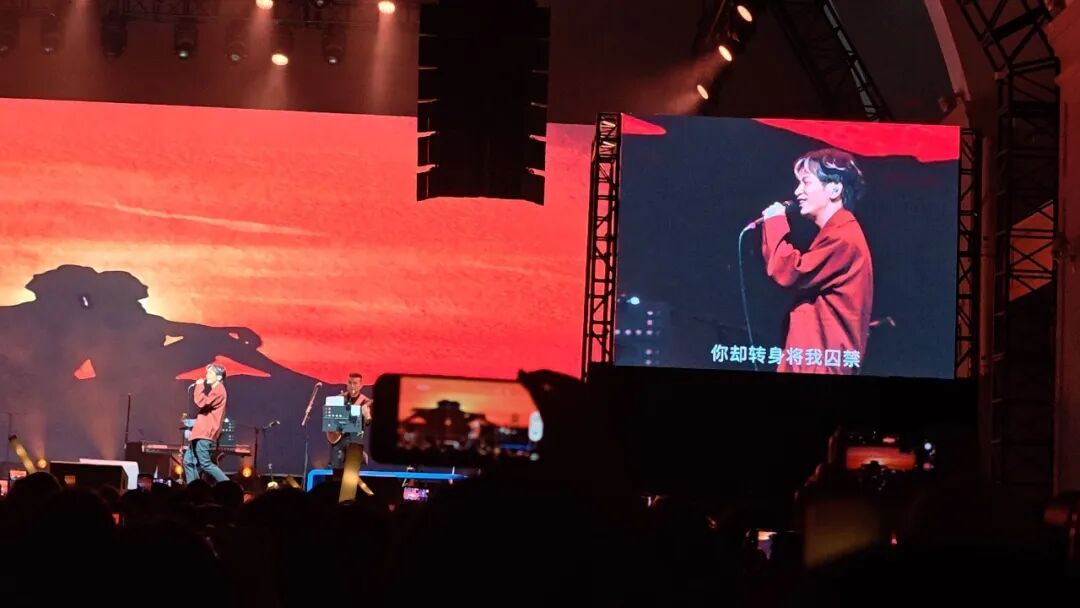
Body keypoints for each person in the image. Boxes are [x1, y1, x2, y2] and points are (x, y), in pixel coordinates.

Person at [760, 148, 873, 375]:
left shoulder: (843, 238)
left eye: (806, 182)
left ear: (834, 189)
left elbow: (788, 271)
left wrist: (774, 222)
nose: (797, 191)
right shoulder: (838, 233)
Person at [183, 363, 230, 483]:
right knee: (188, 461)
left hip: (205, 434)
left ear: (218, 377)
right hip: (199, 433)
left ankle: (228, 485)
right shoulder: (215, 390)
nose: (206, 375)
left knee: (205, 463)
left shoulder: (219, 391)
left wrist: (199, 386)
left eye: (210, 373)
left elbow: (202, 402)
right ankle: (194, 488)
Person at [329, 372, 373, 468]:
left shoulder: (366, 402)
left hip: (355, 441)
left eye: (355, 383)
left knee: (351, 471)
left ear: (361, 385)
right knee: (336, 469)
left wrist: (367, 416)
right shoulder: (339, 398)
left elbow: (368, 422)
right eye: (350, 383)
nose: (352, 386)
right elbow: (330, 420)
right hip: (338, 441)